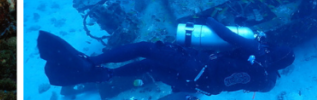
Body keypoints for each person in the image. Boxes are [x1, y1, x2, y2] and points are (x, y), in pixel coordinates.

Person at [38, 18, 295, 97]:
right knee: (151, 67)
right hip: (202, 86)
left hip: (198, 67)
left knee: (146, 50)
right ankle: (107, 75)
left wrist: (209, 21)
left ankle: (91, 62)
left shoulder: (258, 51)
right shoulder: (268, 82)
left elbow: (227, 36)